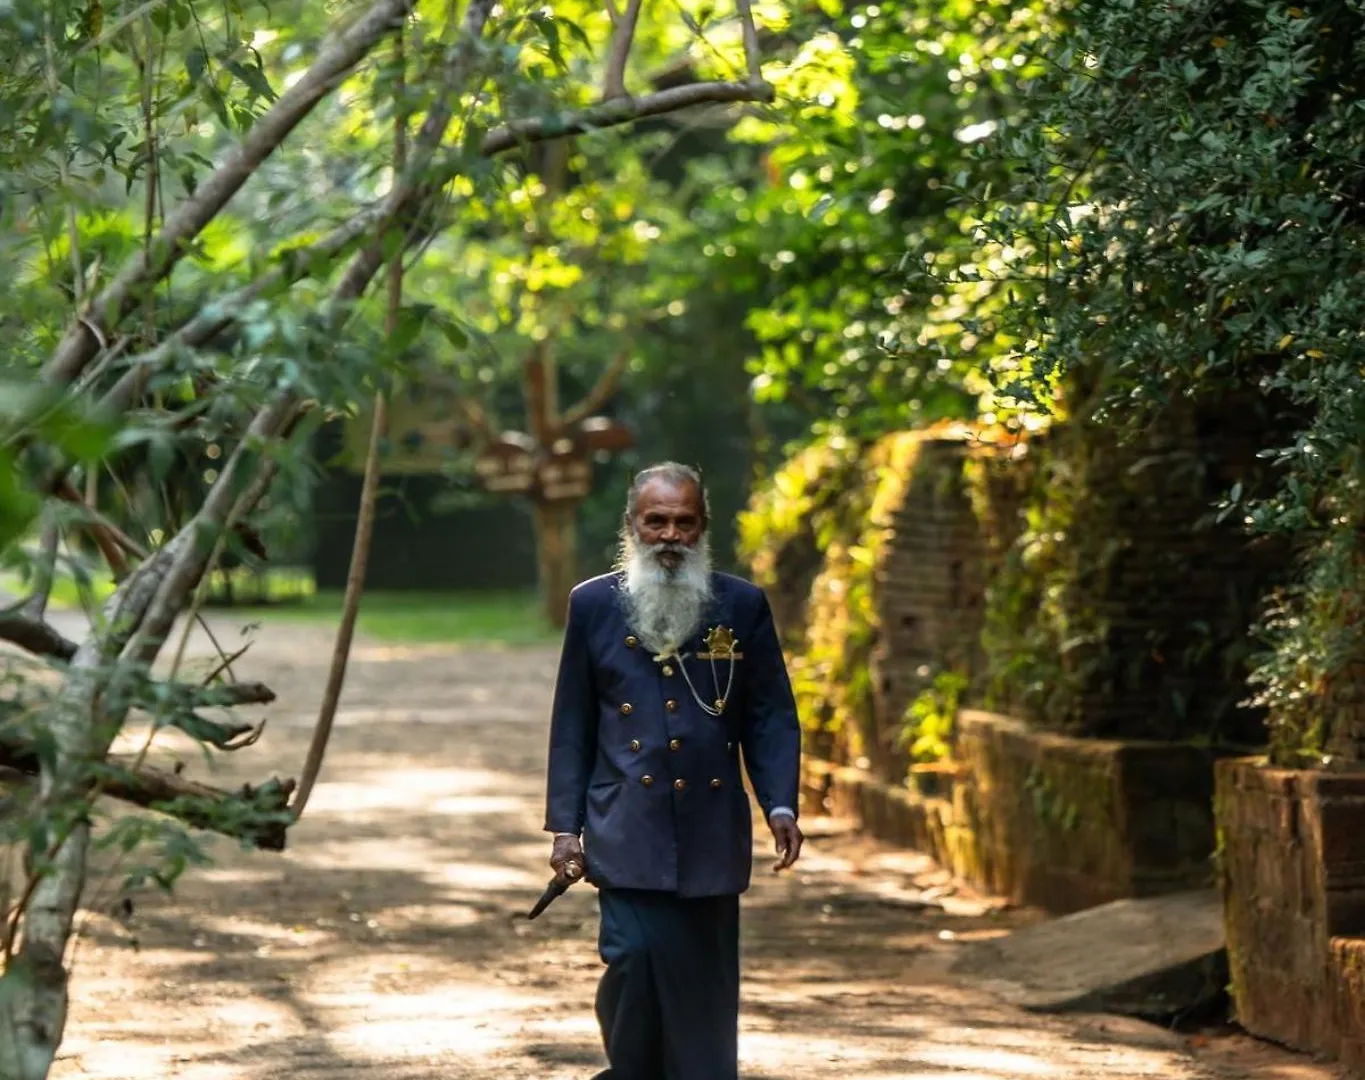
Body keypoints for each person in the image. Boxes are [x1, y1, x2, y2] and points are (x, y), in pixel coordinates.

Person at [543, 461, 803, 1080]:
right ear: (631, 526)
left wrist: (780, 804)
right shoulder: (592, 605)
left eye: (684, 523)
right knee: (631, 960)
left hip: (711, 830)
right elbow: (573, 725)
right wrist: (564, 828)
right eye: (655, 521)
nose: (669, 535)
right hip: (625, 827)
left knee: (703, 996)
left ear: (702, 527)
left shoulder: (741, 605)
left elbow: (769, 715)